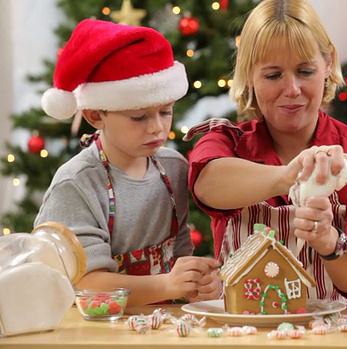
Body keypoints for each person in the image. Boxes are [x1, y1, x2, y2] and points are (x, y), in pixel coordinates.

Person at [186, 0, 347, 301]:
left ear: (328, 64)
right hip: (242, 336)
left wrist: (328, 241)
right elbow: (207, 185)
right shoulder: (226, 142)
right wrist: (290, 174)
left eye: (305, 71)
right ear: (249, 75)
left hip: (335, 340)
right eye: (273, 75)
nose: (292, 90)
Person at [35, 19, 220, 307]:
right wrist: (167, 283)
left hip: (163, 327)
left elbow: (179, 253)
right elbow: (85, 284)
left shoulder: (174, 168)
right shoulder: (77, 184)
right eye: (139, 117)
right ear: (95, 115)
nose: (157, 128)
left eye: (166, 112)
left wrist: (195, 282)